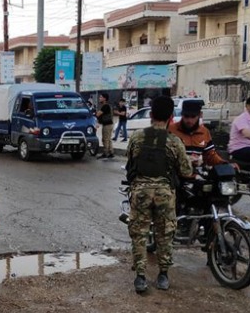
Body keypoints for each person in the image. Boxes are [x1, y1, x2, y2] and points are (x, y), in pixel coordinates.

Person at [125, 96, 192, 294]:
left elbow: (130, 162)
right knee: (165, 234)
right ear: (172, 117)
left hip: (141, 192)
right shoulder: (175, 142)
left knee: (139, 234)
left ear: (151, 114)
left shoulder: (137, 137)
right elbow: (186, 171)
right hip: (164, 193)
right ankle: (163, 275)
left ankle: (140, 277)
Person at [167, 99, 227, 169]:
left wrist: (224, 164)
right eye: (186, 116)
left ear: (200, 115)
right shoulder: (171, 130)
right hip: (175, 174)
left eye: (193, 117)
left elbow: (210, 156)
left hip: (197, 174)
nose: (189, 120)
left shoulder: (204, 132)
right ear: (182, 115)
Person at [95, 93, 114, 159]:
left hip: (107, 125)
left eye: (101, 97)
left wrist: (95, 113)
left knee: (105, 139)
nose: (99, 98)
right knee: (108, 139)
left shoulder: (105, 106)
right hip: (109, 124)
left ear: (104, 98)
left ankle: (105, 153)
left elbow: (98, 114)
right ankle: (111, 152)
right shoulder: (107, 106)